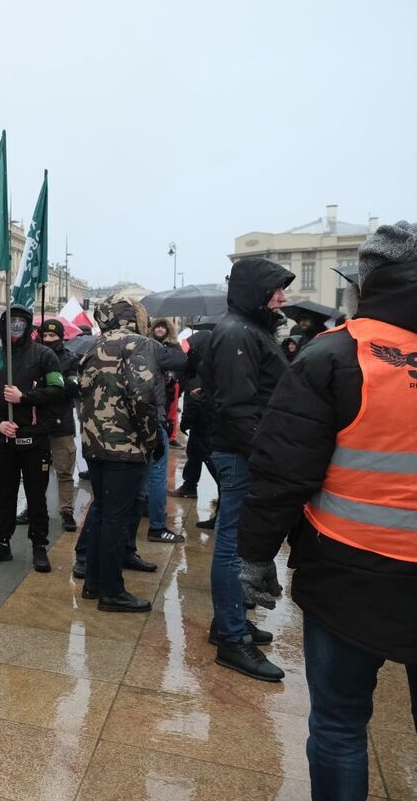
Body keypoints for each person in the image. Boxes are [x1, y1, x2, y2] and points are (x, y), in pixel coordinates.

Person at [237, 222, 417, 800]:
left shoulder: (338, 353)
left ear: (370, 280)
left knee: (340, 727)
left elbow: (283, 469)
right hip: (353, 572)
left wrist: (254, 555)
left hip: (349, 573)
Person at [199, 257, 294, 681]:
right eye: (275, 289)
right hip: (242, 455)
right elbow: (238, 408)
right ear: (255, 290)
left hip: (244, 452)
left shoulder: (248, 329)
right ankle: (231, 639)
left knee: (235, 543)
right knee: (232, 546)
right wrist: (264, 455)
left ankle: (229, 623)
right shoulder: (237, 332)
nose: (283, 297)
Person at [75, 296, 162, 612]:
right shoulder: (138, 344)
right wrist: (152, 439)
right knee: (116, 518)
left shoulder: (92, 347)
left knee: (101, 512)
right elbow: (143, 398)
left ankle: (94, 583)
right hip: (124, 446)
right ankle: (112, 592)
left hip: (95, 445)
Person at [0, 304, 65, 572]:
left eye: (20, 322)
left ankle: (39, 546)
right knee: (5, 495)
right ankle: (2, 542)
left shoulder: (45, 355)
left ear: (28, 325)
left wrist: (25, 397)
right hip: (4, 439)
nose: (16, 327)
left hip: (35, 439)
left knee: (36, 496)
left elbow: (58, 389)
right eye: (11, 322)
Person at [140, 317, 188, 543]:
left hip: (137, 416)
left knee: (142, 470)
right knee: (157, 473)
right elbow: (182, 361)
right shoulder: (152, 347)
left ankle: (142, 511)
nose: (158, 329)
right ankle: (157, 526)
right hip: (154, 416)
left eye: (162, 326)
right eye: (155, 326)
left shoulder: (133, 346)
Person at [170, 327, 220, 529]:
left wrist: (185, 422)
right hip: (208, 424)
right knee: (196, 455)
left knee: (211, 462)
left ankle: (223, 499)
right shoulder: (211, 364)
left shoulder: (201, 367)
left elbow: (194, 402)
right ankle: (191, 485)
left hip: (203, 424)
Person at [37, 318, 82, 532]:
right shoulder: (34, 355)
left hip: (60, 423)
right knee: (36, 471)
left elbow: (72, 387)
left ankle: (67, 511)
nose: (48, 339)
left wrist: (61, 385)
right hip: (37, 423)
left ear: (61, 337)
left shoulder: (70, 359)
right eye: (45, 336)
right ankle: (34, 507)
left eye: (53, 336)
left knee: (64, 470)